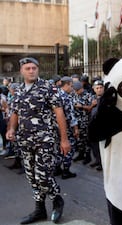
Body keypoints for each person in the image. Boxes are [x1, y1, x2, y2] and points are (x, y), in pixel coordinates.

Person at [6, 57, 71, 224]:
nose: (31, 71)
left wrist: (64, 139)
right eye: (27, 68)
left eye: (34, 68)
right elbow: (15, 113)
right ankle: (39, 210)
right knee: (32, 177)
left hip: (45, 140)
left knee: (43, 176)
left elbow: (59, 113)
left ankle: (57, 199)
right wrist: (11, 129)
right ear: (21, 71)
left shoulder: (48, 88)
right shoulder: (19, 90)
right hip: (25, 141)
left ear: (38, 69)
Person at [89, 79, 104, 171]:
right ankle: (97, 160)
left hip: (102, 126)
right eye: (97, 88)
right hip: (93, 125)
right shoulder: (92, 98)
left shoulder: (107, 98)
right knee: (94, 145)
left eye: (101, 87)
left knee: (102, 146)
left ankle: (103, 163)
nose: (99, 89)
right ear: (94, 89)